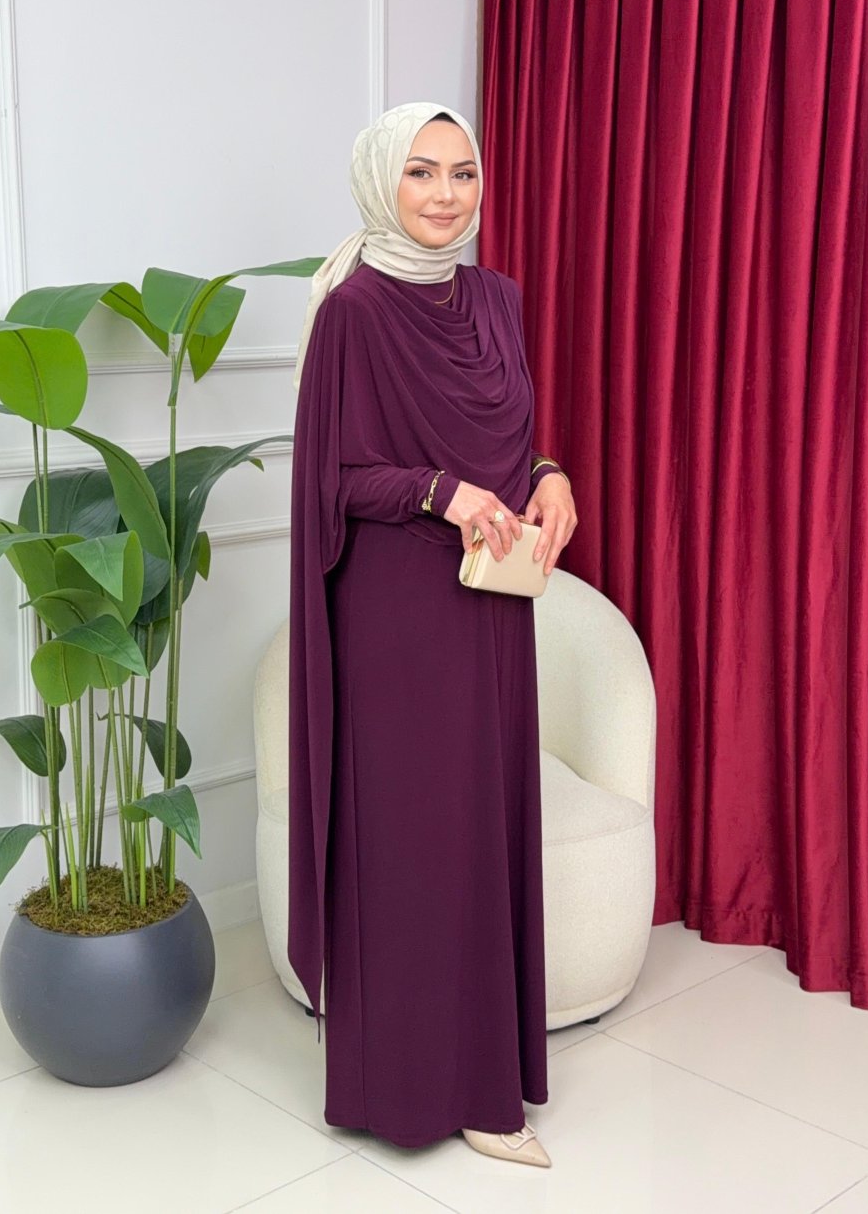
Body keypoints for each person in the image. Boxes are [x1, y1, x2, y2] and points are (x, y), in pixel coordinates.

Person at [287, 101, 577, 1167]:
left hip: (493, 599)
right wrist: (436, 491)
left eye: (463, 172)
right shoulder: (353, 310)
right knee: (414, 840)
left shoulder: (496, 298)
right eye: (421, 172)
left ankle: (483, 1069)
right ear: (382, 180)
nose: (447, 195)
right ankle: (422, 1085)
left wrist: (549, 475)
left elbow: (510, 437)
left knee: (481, 829)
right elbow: (332, 477)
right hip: (398, 613)